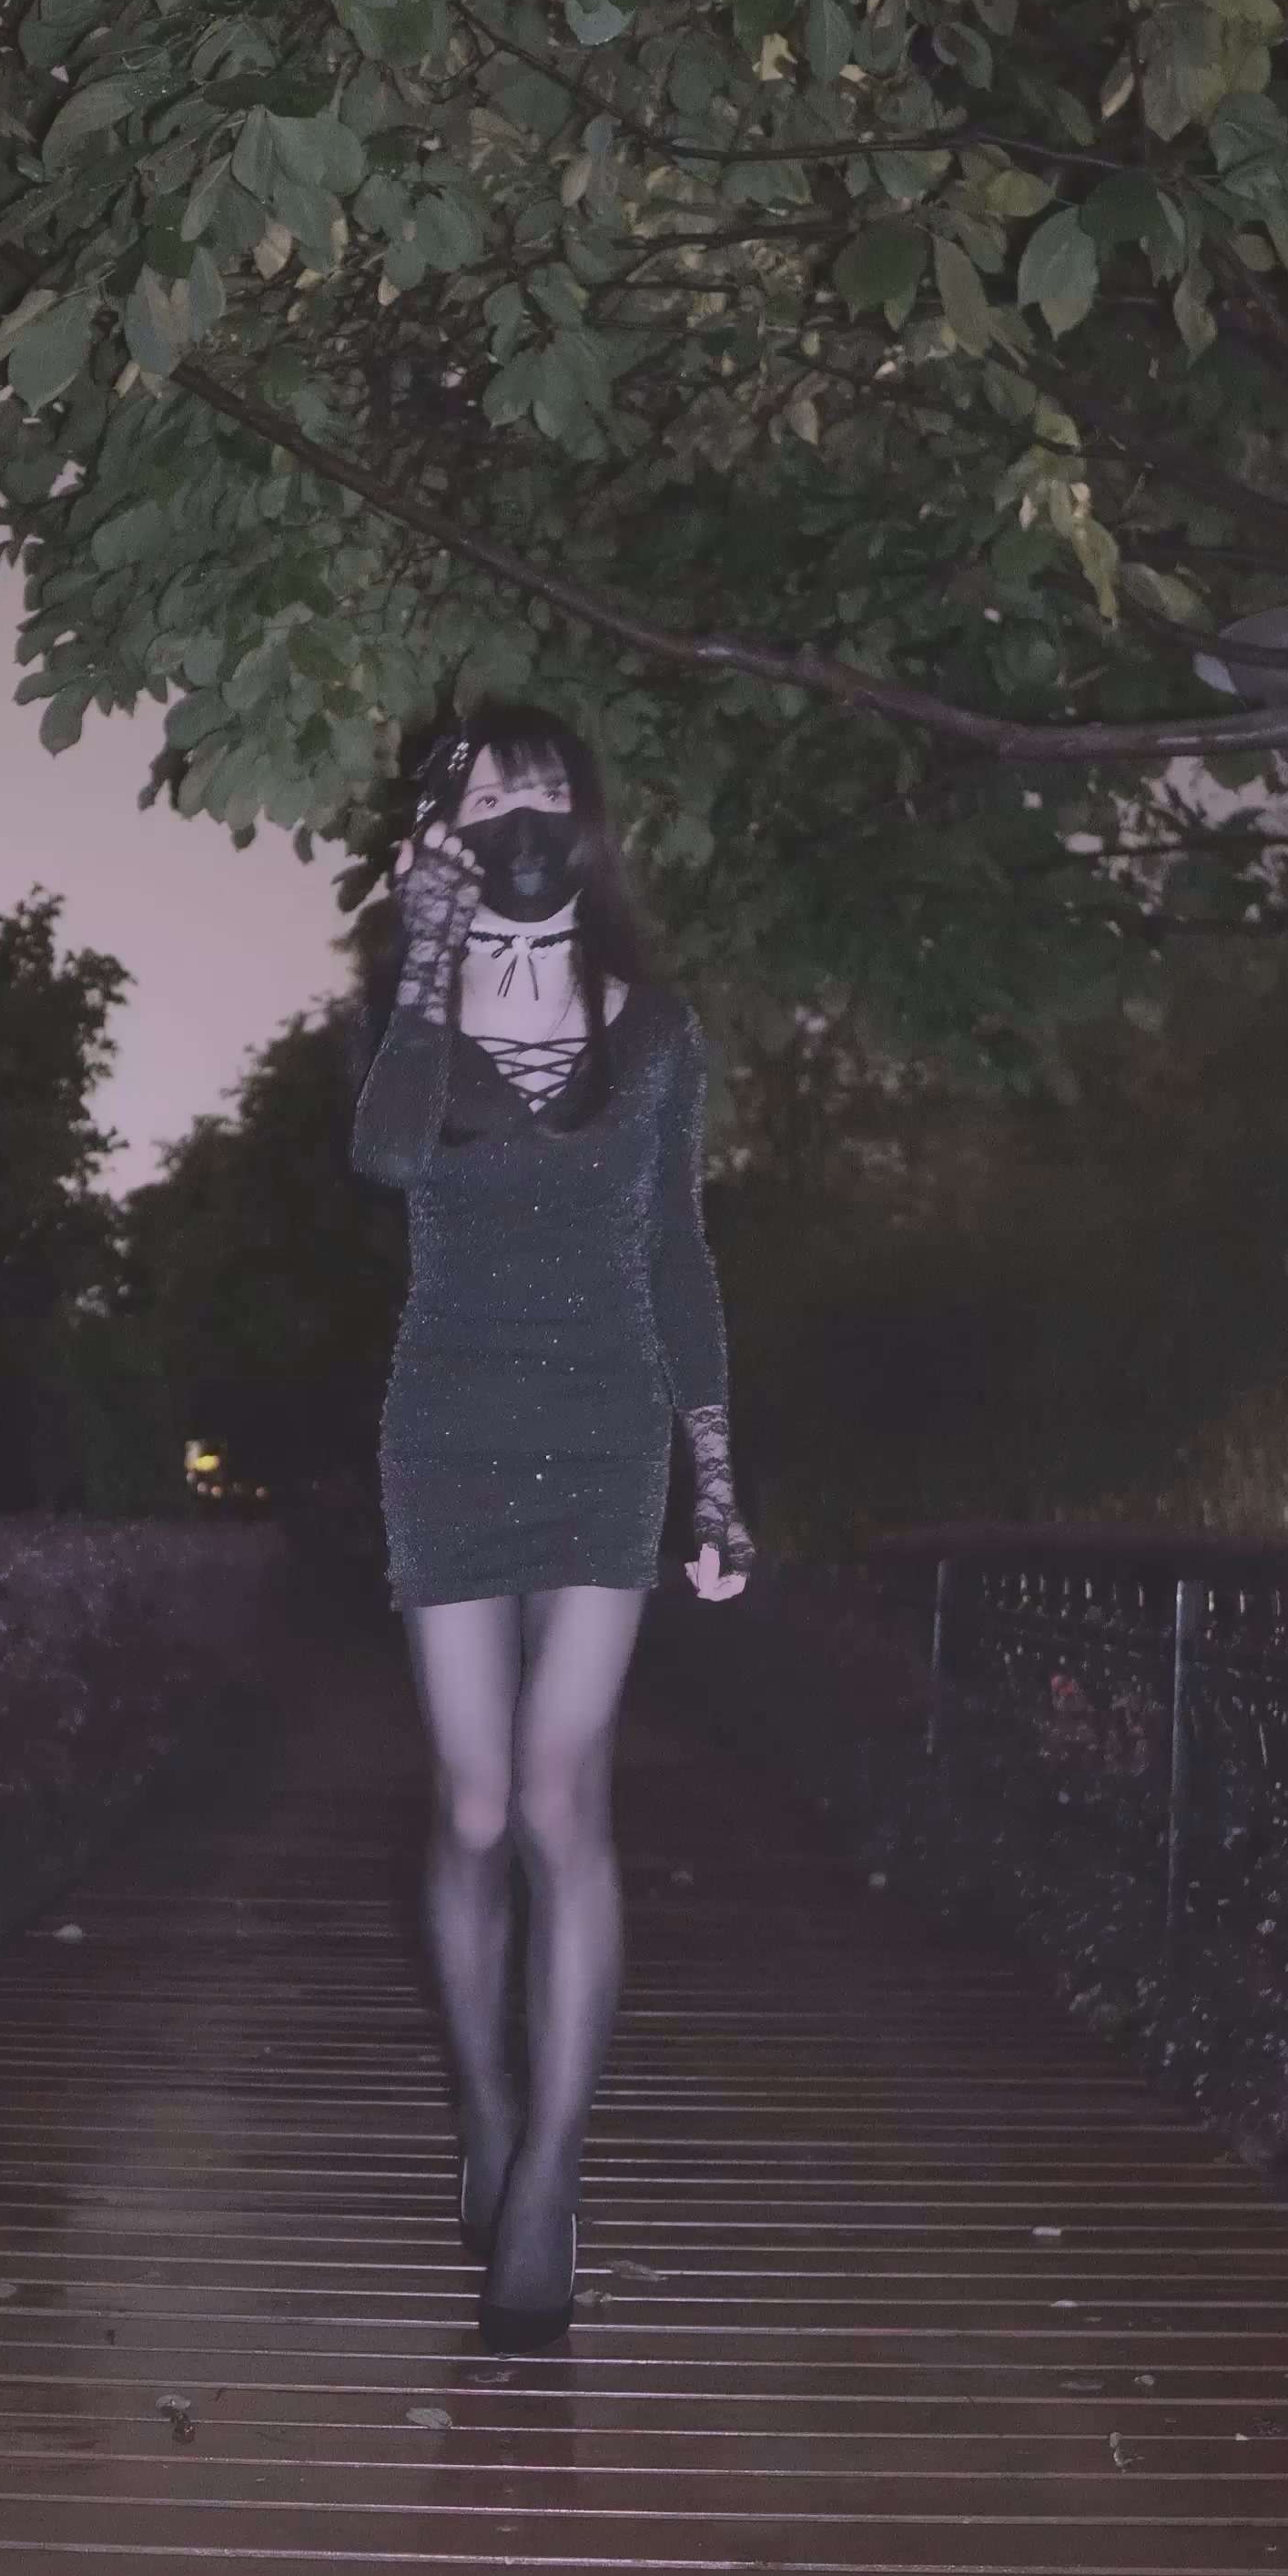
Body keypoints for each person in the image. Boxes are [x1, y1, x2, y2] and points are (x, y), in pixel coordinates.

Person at [350, 701, 756, 2351]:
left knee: (557, 1796)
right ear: (439, 831)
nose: (518, 811)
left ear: (586, 814)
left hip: (604, 1430)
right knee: (469, 1806)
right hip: (446, 1425)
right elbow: (387, 1160)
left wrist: (715, 1469)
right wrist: (424, 956)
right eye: (483, 795)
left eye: (542, 785)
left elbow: (678, 1251)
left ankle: (549, 2181)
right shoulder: (400, 1014)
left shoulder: (652, 1028)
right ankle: (490, 2106)